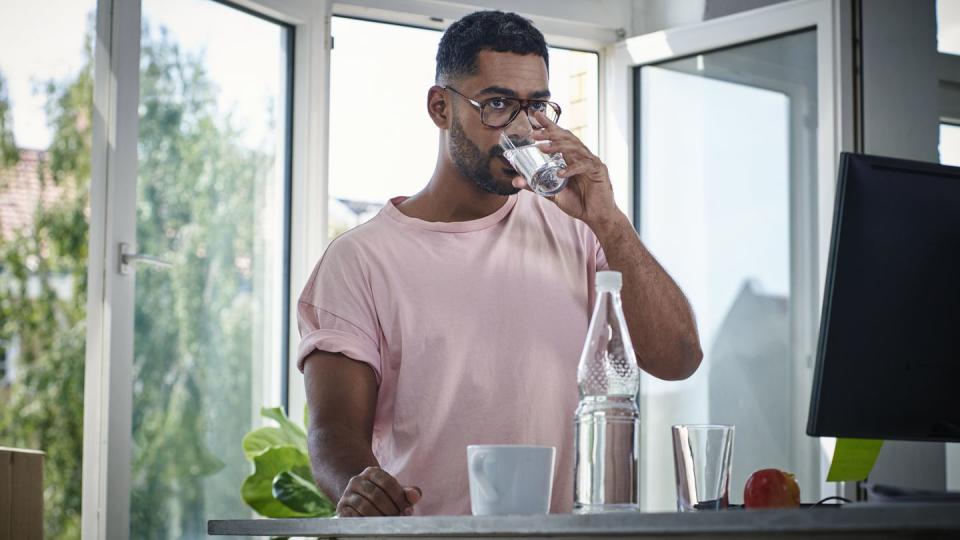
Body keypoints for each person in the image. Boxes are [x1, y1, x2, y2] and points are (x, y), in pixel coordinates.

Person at [297, 10, 702, 517]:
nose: (520, 127)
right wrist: (362, 489)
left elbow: (679, 358)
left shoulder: (581, 230)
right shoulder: (360, 260)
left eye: (535, 107)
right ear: (440, 107)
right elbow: (332, 430)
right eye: (496, 104)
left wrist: (610, 220)